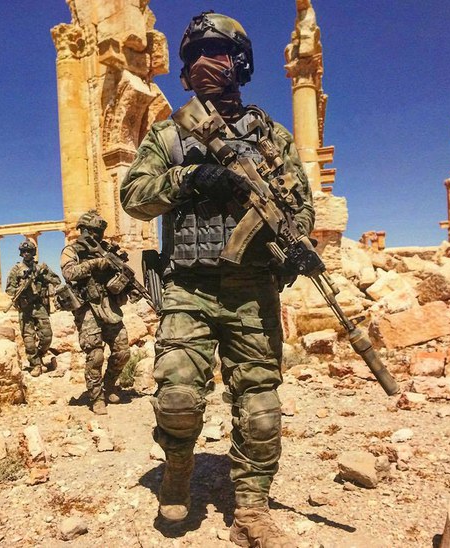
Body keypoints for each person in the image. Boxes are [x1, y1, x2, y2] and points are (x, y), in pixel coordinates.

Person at [120, 11, 314, 547]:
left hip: (253, 292)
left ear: (240, 63)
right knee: (178, 396)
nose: (205, 63)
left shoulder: (271, 137)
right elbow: (133, 196)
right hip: (189, 287)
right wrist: (192, 178)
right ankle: (178, 467)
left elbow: (300, 205)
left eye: (217, 52)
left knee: (260, 409)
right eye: (194, 55)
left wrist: (294, 245)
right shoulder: (168, 134)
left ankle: (251, 509)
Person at [60, 211, 131, 415]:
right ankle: (97, 396)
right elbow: (69, 273)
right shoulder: (71, 250)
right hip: (87, 308)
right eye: (93, 231)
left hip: (109, 305)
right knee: (95, 354)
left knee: (122, 351)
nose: (97, 235)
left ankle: (109, 385)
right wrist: (94, 263)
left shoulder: (106, 250)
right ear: (83, 230)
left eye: (100, 232)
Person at [5, 240, 61, 377]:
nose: (26, 254)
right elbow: (9, 289)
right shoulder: (16, 270)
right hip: (25, 308)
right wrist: (21, 289)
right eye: (24, 251)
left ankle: (40, 355)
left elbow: (56, 280)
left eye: (29, 251)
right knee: (29, 340)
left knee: (47, 336)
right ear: (21, 253)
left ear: (33, 252)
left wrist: (42, 275)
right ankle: (35, 364)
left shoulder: (41, 267)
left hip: (40, 306)